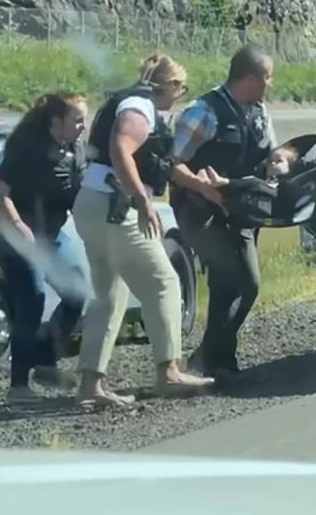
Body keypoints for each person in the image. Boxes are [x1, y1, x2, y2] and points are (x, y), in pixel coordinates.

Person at [72, 53, 214, 408]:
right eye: (181, 88)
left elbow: (153, 162)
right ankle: (169, 371)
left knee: (108, 294)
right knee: (164, 282)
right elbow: (121, 148)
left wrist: (198, 185)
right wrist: (142, 200)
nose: (180, 96)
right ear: (168, 85)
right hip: (116, 206)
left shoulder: (125, 101)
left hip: (92, 202)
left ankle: (91, 384)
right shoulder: (141, 107)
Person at [170, 45, 277, 379]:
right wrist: (202, 186)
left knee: (249, 283)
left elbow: (272, 152)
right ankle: (219, 361)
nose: (270, 85)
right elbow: (171, 163)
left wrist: (280, 161)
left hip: (242, 211)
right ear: (249, 78)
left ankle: (209, 355)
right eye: (267, 78)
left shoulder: (259, 112)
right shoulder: (203, 112)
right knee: (228, 278)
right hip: (200, 211)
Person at [0, 92, 89, 405]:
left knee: (77, 293)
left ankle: (44, 360)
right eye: (78, 120)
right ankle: (18, 387)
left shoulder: (76, 149)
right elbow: (0, 192)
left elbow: (76, 194)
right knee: (32, 299)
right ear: (56, 122)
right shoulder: (28, 148)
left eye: (85, 119)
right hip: (16, 233)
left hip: (51, 234)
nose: (83, 126)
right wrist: (20, 227)